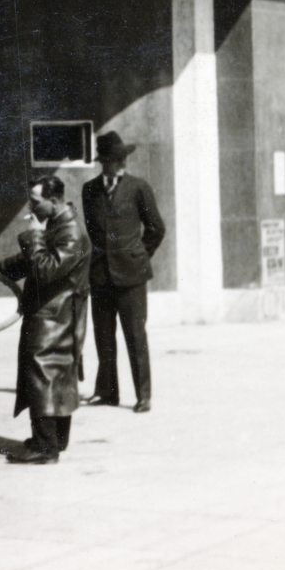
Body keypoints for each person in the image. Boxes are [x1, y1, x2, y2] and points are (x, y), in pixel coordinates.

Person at [0, 176, 90, 464]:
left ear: (54, 201)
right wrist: (1, 268)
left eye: (35, 202)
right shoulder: (59, 226)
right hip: (52, 313)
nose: (30, 208)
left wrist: (33, 235)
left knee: (43, 375)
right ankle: (54, 440)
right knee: (55, 376)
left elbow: (44, 269)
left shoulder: (72, 234)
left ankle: (46, 448)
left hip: (54, 316)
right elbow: (34, 260)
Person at [81, 131, 166, 413]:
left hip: (131, 276)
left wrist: (139, 254)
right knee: (103, 336)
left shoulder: (138, 187)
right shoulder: (89, 190)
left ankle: (143, 395)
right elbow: (93, 232)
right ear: (103, 162)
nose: (121, 164)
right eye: (115, 160)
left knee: (135, 335)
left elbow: (156, 228)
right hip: (101, 276)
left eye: (122, 158)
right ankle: (107, 391)